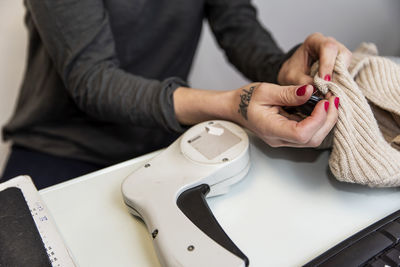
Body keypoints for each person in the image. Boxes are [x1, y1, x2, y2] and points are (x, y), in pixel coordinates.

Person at [0, 0, 352, 189]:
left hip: (159, 145)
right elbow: (93, 80)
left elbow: (239, 30)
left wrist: (287, 67)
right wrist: (233, 105)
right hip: (59, 149)